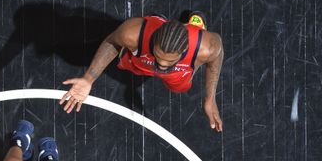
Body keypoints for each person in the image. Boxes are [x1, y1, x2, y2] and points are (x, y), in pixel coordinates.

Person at [60, 12, 225, 132]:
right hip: (141, 62)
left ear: (183, 51)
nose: (161, 64)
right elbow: (111, 42)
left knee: (179, 88)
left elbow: (216, 59)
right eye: (158, 56)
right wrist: (89, 78)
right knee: (128, 63)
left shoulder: (208, 46)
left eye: (169, 61)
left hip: (177, 72)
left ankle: (195, 27)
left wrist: (210, 99)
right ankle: (158, 21)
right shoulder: (132, 34)